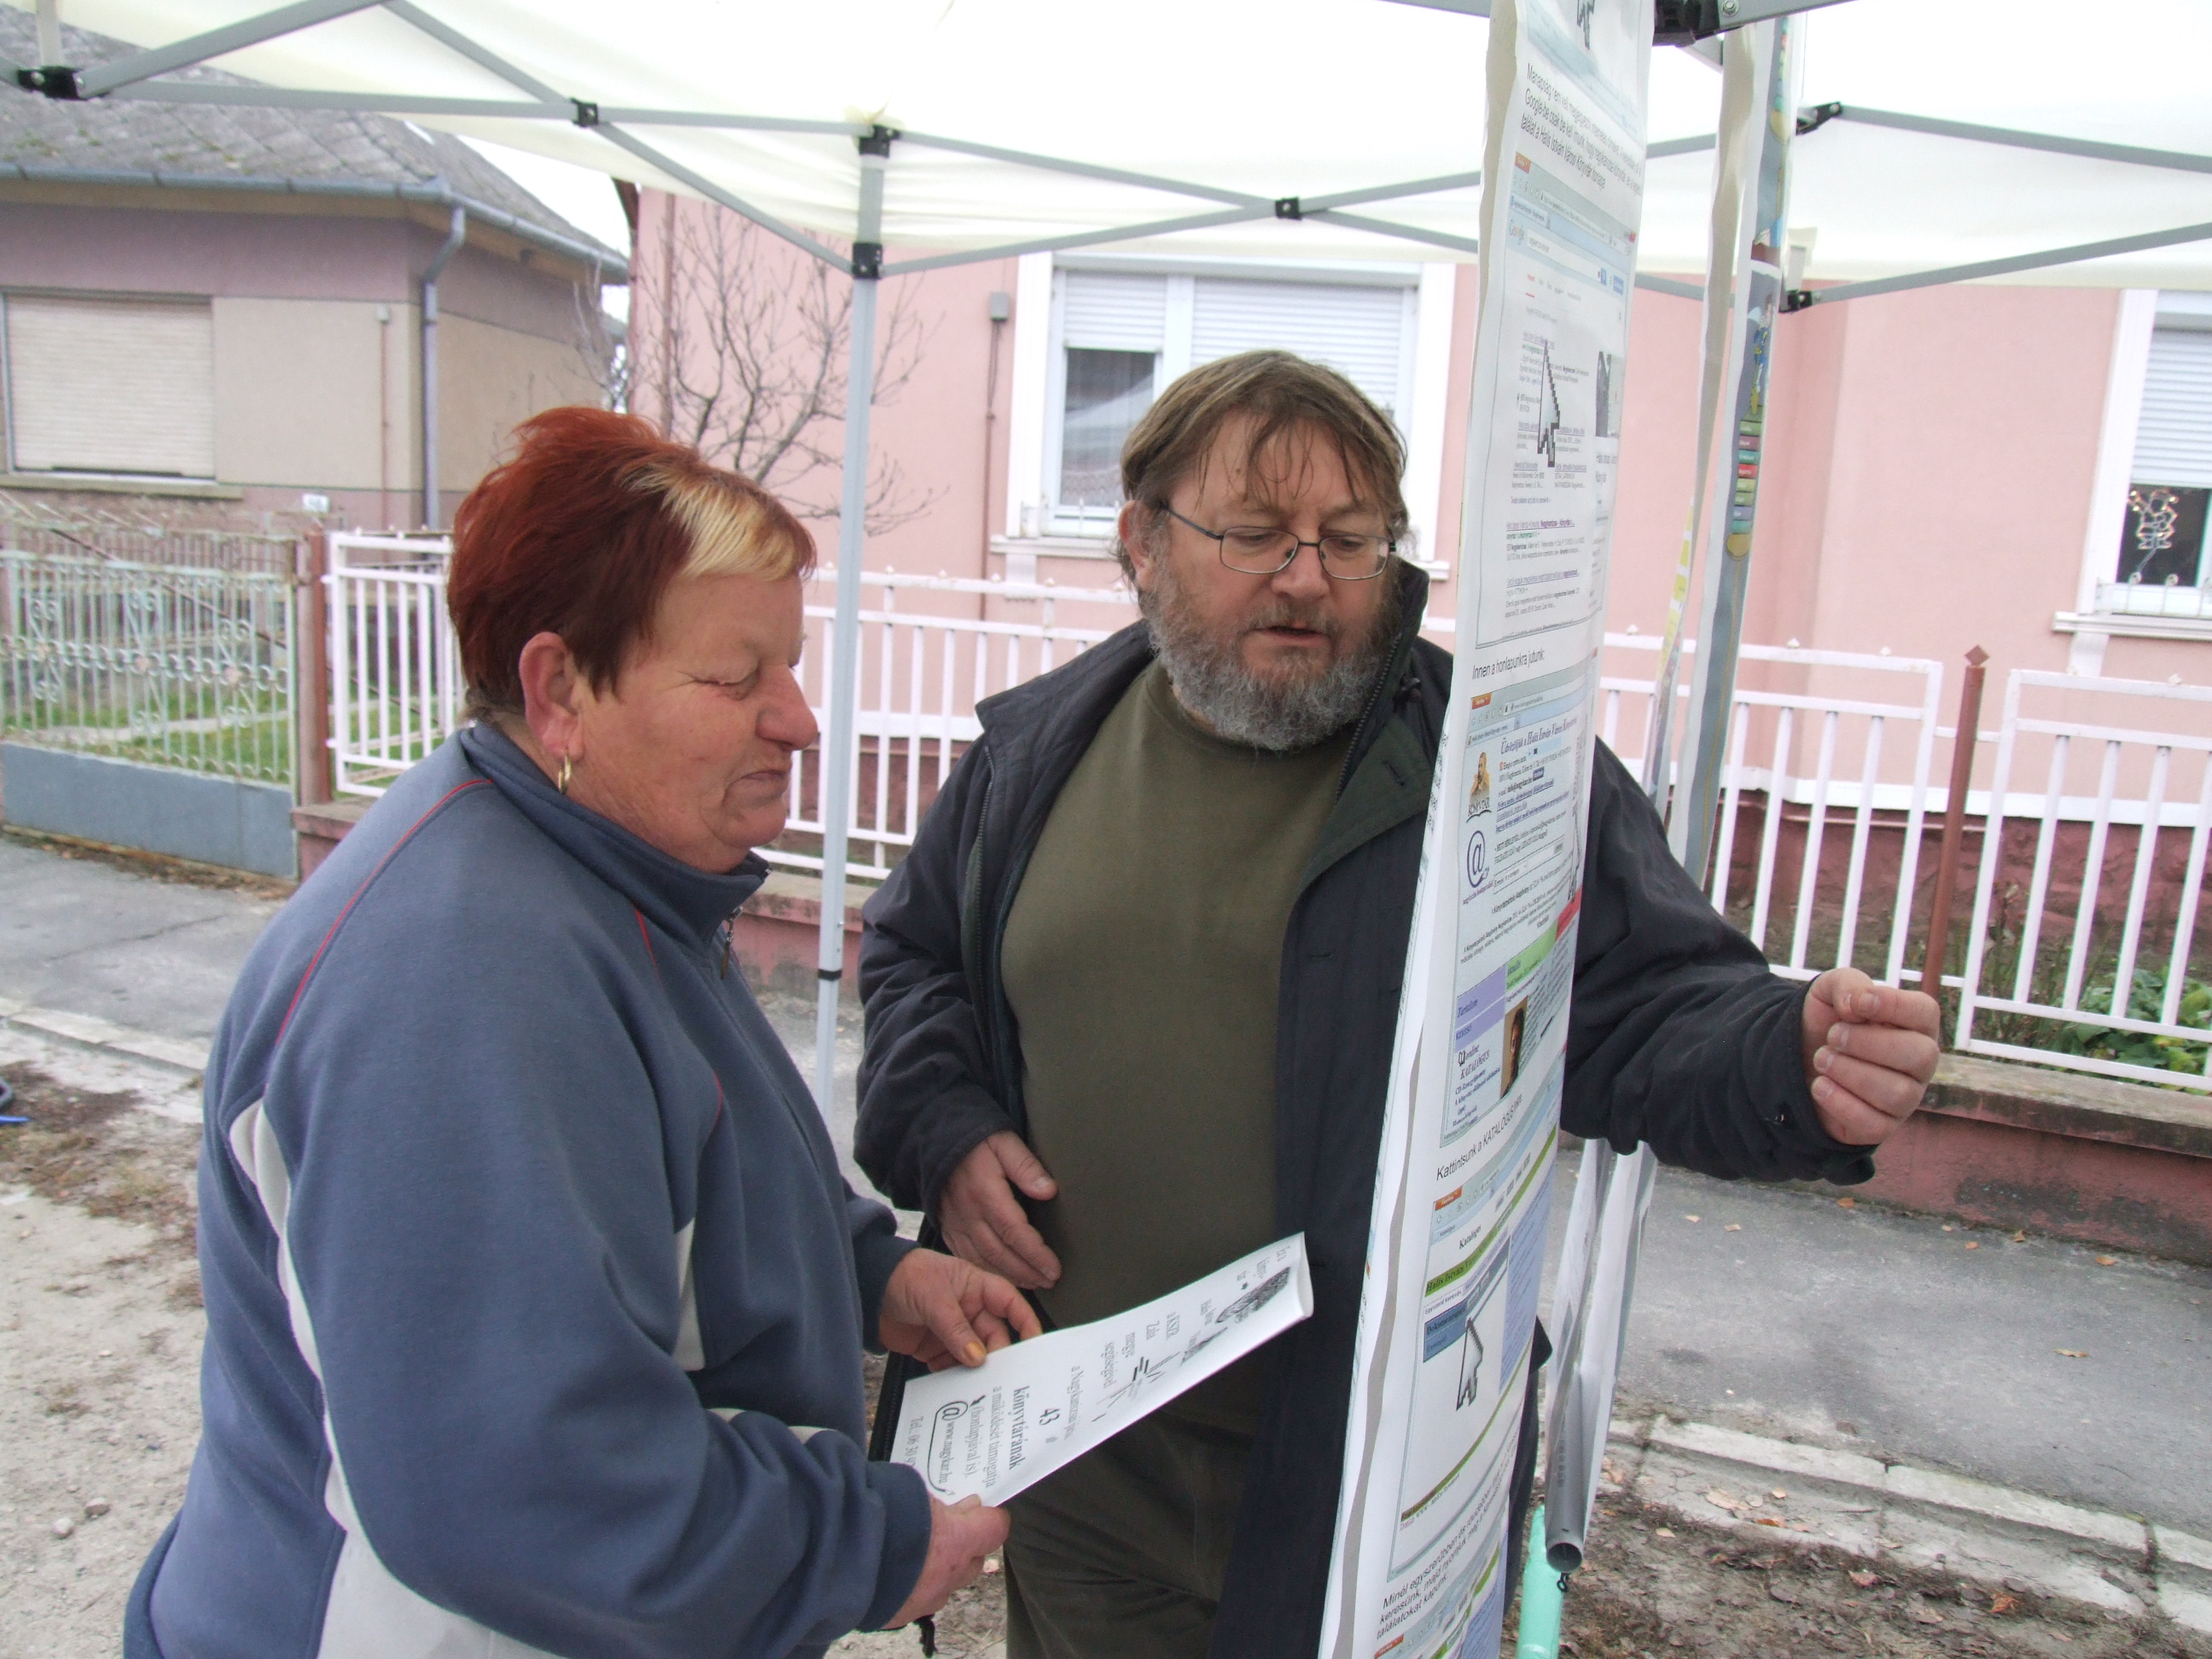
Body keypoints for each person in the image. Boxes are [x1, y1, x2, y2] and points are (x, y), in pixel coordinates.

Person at [854, 352, 1941, 1659]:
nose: (1306, 576)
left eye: (1350, 537)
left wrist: (1788, 1057)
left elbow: (1650, 1007)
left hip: (1369, 1480)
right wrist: (948, 1125)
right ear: (1141, 540)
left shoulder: (1491, 766)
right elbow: (914, 956)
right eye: (1255, 532)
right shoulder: (1039, 751)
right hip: (1088, 1466)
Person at [127, 409, 1038, 1659]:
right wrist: (858, 1544)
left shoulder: (612, 873)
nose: (799, 720)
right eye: (736, 680)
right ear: (560, 692)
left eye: (788, 666)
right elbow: (515, 1477)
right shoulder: (461, 978)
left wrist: (868, 1274)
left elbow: (673, 1181)